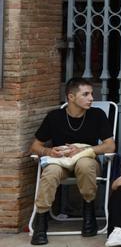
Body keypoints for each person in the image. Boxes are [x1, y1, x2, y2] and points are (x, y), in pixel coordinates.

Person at [29, 78, 116, 245]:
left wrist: (84, 150)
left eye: (91, 93)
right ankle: (41, 223)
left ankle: (89, 216)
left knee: (85, 165)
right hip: (59, 160)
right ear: (71, 97)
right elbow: (35, 146)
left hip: (87, 159)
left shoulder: (97, 115)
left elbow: (110, 146)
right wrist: (49, 151)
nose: (91, 98)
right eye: (86, 94)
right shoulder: (54, 117)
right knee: (50, 172)